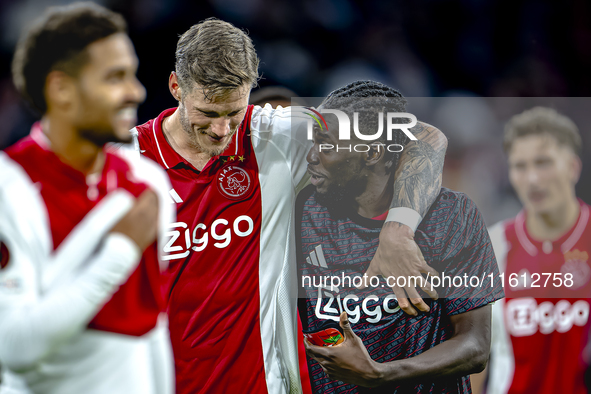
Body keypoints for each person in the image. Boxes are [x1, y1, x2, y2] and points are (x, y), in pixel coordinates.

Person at [134, 18, 448, 394]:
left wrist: (398, 231)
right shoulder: (123, 163)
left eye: (233, 112)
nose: (221, 130)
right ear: (175, 87)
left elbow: (423, 137)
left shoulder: (276, 134)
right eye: (208, 113)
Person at [0, 3, 174, 393]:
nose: (136, 91)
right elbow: (13, 346)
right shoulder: (9, 188)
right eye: (115, 78)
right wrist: (121, 248)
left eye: (132, 74)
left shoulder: (147, 181)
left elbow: (151, 331)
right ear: (61, 88)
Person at [298, 82, 504, 393]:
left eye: (326, 146)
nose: (312, 156)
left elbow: (475, 345)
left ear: (371, 152)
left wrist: (382, 374)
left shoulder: (452, 215)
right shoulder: (305, 213)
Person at [479, 107, 590, 394]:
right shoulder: (492, 247)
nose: (532, 179)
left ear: (573, 167)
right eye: (520, 166)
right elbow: (473, 361)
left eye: (544, 163)